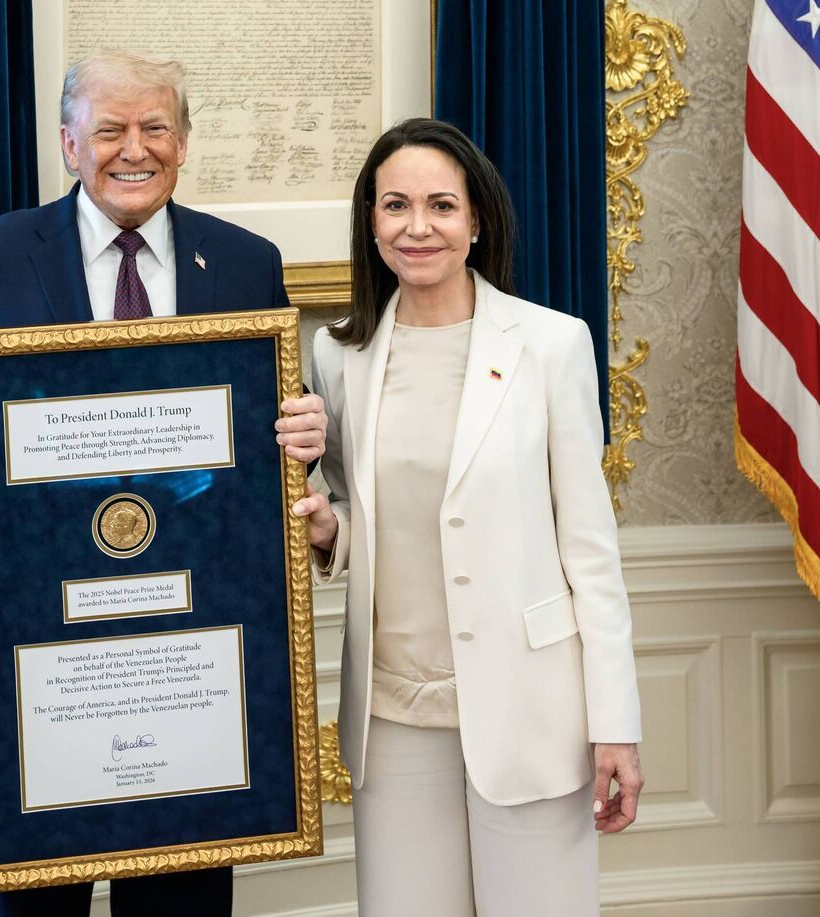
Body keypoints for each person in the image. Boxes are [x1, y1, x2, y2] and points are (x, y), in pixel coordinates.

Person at [0, 50, 327, 917]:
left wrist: (303, 435)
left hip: (193, 650)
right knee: (30, 905)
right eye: (112, 129)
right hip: (32, 650)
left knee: (182, 901)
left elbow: (262, 437)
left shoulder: (244, 262)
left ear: (184, 141)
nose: (136, 149)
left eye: (156, 127)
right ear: (68, 143)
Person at [291, 118, 644, 915]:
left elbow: (590, 550)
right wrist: (326, 530)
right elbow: (351, 504)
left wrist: (615, 724)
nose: (418, 227)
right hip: (392, 714)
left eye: (442, 206)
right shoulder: (338, 356)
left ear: (477, 220)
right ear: (371, 222)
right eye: (395, 206)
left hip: (532, 709)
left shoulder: (551, 345)